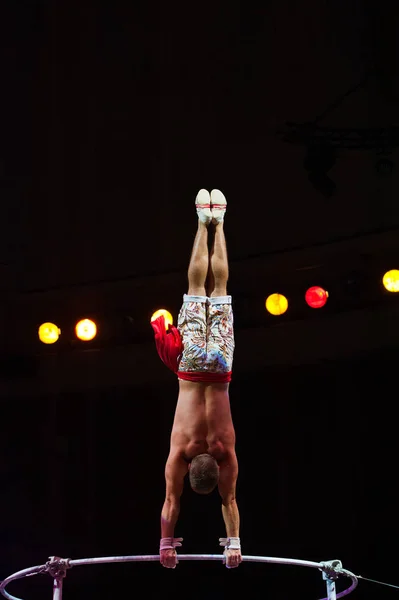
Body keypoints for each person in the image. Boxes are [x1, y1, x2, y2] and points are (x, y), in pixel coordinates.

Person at [151, 189, 242, 570]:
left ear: (216, 467)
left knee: (217, 290)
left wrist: (235, 542)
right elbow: (171, 503)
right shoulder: (180, 451)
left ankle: (216, 222)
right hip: (189, 367)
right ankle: (201, 222)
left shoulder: (225, 452)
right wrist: (165, 543)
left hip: (219, 366)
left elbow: (230, 502)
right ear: (191, 468)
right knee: (195, 290)